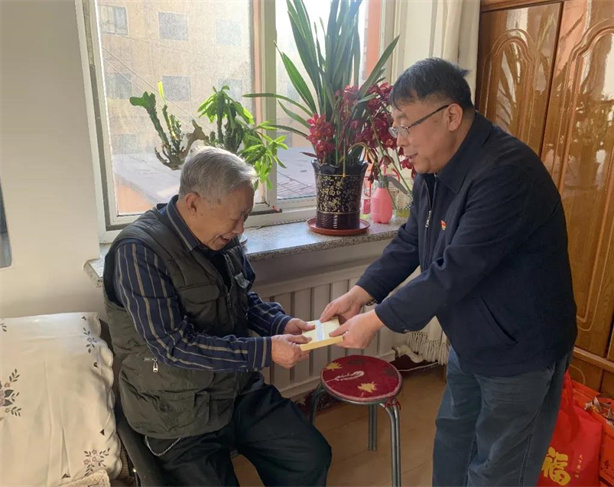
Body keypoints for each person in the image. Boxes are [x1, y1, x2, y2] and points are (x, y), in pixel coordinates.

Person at [321, 58, 576, 486]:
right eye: (396, 127)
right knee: (454, 441)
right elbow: (412, 240)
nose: (401, 141)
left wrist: (377, 320)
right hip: (471, 337)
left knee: (498, 468)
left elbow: (454, 270)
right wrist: (361, 293)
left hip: (520, 350)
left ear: (451, 116)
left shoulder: (506, 173)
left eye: (406, 125)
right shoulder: (434, 167)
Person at [104, 147, 331, 486]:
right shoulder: (138, 253)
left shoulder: (222, 238)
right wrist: (267, 349)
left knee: (310, 457)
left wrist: (278, 323)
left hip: (236, 391)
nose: (240, 228)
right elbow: (174, 346)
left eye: (246, 217)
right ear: (194, 203)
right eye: (235, 217)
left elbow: (242, 298)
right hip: (177, 411)